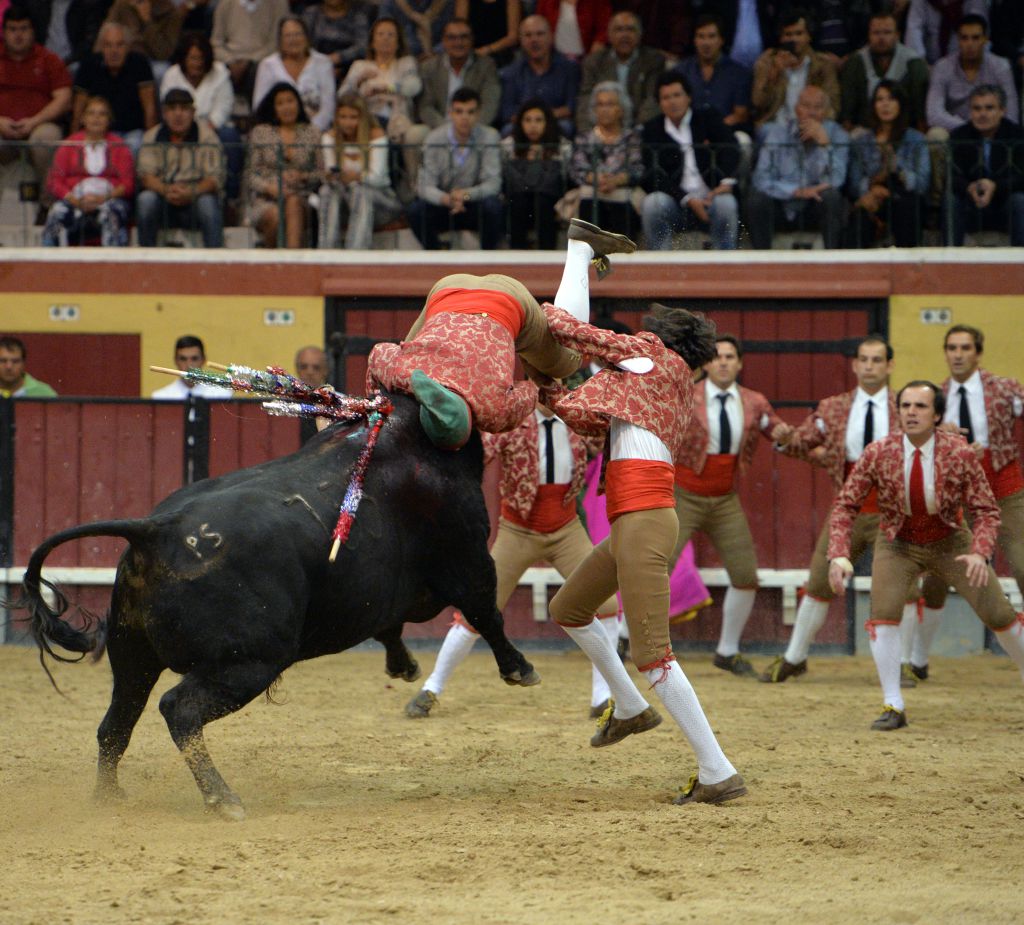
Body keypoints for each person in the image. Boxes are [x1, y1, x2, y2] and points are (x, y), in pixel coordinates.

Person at [525, 271, 747, 806]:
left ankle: (717, 771)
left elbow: (579, 332)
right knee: (570, 607)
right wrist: (544, 389)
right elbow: (584, 415)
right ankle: (628, 707)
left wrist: (532, 318)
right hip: (634, 518)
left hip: (643, 517)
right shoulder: (661, 382)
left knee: (654, 654)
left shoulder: (652, 358)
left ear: (663, 340)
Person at [404, 400, 620, 720]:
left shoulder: (576, 419)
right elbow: (477, 451)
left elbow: (607, 438)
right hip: (518, 531)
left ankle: (603, 695)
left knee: (606, 607)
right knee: (478, 609)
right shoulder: (513, 422)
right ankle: (432, 687)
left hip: (566, 529)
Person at [828, 380, 1024, 731]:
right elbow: (845, 505)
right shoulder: (878, 452)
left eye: (920, 406)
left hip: (951, 541)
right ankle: (893, 703)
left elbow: (986, 509)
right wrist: (839, 554)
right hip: (897, 541)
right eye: (905, 406)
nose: (911, 413)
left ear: (936, 414)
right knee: (884, 614)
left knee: (999, 612)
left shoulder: (960, 453)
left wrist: (980, 552)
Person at [365, 217, 637, 449]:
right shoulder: (406, 376)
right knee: (408, 347)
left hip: (505, 303)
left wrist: (539, 368)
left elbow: (532, 390)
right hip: (448, 291)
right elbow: (379, 353)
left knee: (568, 361)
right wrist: (376, 407)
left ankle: (582, 251)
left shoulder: (492, 412)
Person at [761, 336, 904, 683]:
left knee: (905, 586)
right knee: (820, 579)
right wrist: (782, 437)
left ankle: (908, 664)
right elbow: (801, 442)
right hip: (849, 509)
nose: (870, 366)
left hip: (896, 510)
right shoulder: (833, 408)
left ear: (889, 366)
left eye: (877, 360)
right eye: (864, 360)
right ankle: (795, 657)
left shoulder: (908, 406)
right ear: (855, 365)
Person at [668, 334, 792, 676]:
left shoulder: (754, 401)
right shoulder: (684, 395)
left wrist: (793, 440)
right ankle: (625, 637)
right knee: (655, 569)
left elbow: (779, 432)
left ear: (739, 363)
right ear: (706, 363)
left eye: (730, 356)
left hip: (724, 498)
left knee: (744, 574)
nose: (723, 362)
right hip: (683, 494)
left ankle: (727, 650)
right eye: (717, 356)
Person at [911, 325, 1024, 682]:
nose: (957, 354)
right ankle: (918, 659)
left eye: (964, 348)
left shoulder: (1005, 389)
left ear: (978, 353)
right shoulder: (934, 397)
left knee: (1023, 565)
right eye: (951, 348)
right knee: (935, 579)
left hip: (1004, 489)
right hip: (956, 498)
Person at [640, 70, 740, 251]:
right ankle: (659, 264)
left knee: (727, 203)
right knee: (652, 204)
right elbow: (652, 175)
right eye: (666, 97)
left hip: (712, 198)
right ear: (660, 103)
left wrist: (725, 182)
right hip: (676, 203)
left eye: (677, 95)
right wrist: (686, 199)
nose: (672, 102)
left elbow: (731, 148)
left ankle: (726, 264)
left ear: (688, 97)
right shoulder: (652, 129)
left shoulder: (708, 118)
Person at [746, 84, 849, 249]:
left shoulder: (838, 135)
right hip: (781, 203)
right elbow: (761, 178)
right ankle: (761, 260)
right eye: (806, 106)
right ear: (796, 109)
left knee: (832, 197)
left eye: (818, 107)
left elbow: (837, 180)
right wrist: (795, 191)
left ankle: (832, 259)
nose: (812, 113)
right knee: (756, 198)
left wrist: (824, 145)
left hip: (814, 206)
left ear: (826, 112)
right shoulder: (778, 133)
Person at [409, 86, 504, 250]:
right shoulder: (434, 139)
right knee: (416, 211)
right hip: (444, 204)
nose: (464, 117)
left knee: (493, 208)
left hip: (474, 203)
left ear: (479, 114)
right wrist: (446, 199)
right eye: (459, 112)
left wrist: (466, 195)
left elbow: (493, 184)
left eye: (470, 112)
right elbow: (424, 185)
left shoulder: (490, 137)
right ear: (450, 113)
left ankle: (489, 258)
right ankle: (436, 254)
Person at [136, 86, 225, 247]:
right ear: (164, 113)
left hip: (195, 198)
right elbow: (146, 176)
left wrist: (191, 192)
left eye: (184, 109)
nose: (178, 114)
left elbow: (214, 178)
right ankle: (146, 259)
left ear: (193, 112)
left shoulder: (208, 137)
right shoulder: (151, 136)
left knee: (208, 205)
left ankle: (216, 261)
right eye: (172, 109)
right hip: (163, 198)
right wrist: (166, 190)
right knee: (145, 200)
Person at [42, 94, 134, 247]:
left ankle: (115, 266)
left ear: (109, 120)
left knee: (112, 213)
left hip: (109, 199)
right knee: (57, 213)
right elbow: (54, 181)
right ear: (83, 118)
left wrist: (103, 198)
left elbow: (128, 184)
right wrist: (75, 200)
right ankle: (50, 264)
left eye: (102, 114)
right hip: (75, 198)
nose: (96, 118)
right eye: (91, 113)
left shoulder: (120, 146)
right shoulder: (69, 145)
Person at [846, 80, 930, 248]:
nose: (885, 104)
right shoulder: (861, 142)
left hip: (904, 198)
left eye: (891, 99)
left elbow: (922, 184)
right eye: (879, 99)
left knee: (906, 206)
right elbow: (855, 185)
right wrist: (872, 187)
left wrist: (897, 169)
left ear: (901, 104)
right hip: (873, 199)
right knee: (861, 214)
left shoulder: (916, 139)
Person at [160, 32, 242, 200]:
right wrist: (186, 129)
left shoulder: (220, 72)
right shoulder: (172, 75)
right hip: (179, 128)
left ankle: (230, 198)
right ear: (184, 58)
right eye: (192, 58)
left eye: (200, 58)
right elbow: (168, 107)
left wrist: (204, 131)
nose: (197, 63)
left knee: (230, 136)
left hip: (212, 128)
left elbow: (223, 108)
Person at [316, 91, 403, 249]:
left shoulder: (376, 136)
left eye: (353, 117)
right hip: (344, 201)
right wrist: (331, 176)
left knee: (359, 190)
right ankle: (326, 251)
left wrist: (357, 177)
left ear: (362, 118)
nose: (347, 123)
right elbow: (330, 172)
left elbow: (377, 178)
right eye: (343, 117)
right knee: (327, 191)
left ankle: (355, 253)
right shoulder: (330, 137)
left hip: (380, 201)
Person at [0, 6, 73, 193]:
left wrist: (34, 121)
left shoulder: (48, 59)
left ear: (33, 31)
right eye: (12, 29)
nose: (18, 35)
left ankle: (48, 205)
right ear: (4, 32)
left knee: (46, 138)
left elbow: (64, 98)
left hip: (40, 125)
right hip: (1, 127)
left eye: (24, 29)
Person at [246, 82, 323, 248]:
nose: (287, 107)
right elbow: (251, 175)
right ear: (273, 108)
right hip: (266, 197)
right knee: (275, 216)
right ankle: (277, 261)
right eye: (280, 103)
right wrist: (270, 188)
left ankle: (291, 261)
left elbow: (321, 173)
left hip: (301, 195)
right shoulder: (261, 132)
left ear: (298, 104)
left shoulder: (312, 132)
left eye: (290, 101)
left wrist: (302, 176)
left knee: (293, 202)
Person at [947, 84, 1024, 246]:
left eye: (989, 108)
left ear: (1002, 110)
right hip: (971, 202)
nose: (982, 114)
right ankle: (948, 256)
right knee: (951, 200)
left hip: (1004, 201)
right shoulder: (959, 136)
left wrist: (996, 186)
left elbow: (1021, 177)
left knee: (1019, 201)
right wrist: (970, 187)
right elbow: (951, 176)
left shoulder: (1017, 135)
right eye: (977, 108)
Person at [567, 81, 643, 237]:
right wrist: (597, 179)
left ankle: (624, 257)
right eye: (600, 105)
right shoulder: (585, 138)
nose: (605, 110)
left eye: (610, 104)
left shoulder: (631, 138)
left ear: (621, 109)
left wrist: (614, 181)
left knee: (624, 205)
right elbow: (577, 169)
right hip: (592, 190)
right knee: (589, 201)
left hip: (622, 191)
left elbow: (637, 169)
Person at [72, 21, 157, 154]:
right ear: (101, 47)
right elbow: (78, 110)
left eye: (120, 45)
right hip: (98, 132)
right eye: (108, 45)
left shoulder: (140, 64)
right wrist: (73, 142)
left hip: (132, 132)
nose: (114, 51)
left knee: (133, 147)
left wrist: (152, 144)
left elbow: (149, 109)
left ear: (128, 47)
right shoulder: (89, 65)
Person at [925, 14, 1018, 135]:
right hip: (955, 130)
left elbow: (1011, 113)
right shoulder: (942, 67)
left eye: (975, 38)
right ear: (958, 40)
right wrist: (970, 128)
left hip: (994, 130)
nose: (970, 44)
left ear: (985, 39)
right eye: (964, 38)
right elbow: (934, 114)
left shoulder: (1001, 66)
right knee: (936, 135)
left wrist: (988, 125)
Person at [838, 9, 929, 132]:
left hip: (906, 131)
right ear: (868, 35)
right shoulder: (856, 62)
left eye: (887, 32)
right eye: (876, 33)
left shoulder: (913, 63)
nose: (881, 38)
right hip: (866, 132)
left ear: (897, 35)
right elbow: (847, 113)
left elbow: (920, 114)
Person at [337, 16, 420, 150]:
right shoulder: (360, 66)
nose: (385, 38)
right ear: (372, 42)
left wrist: (387, 88)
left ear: (398, 43)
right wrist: (357, 82)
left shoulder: (406, 63)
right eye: (380, 34)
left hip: (398, 121)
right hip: (366, 122)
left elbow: (414, 87)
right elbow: (342, 97)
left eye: (390, 34)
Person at [575, 10, 664, 133]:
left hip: (639, 128)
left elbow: (651, 100)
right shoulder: (594, 62)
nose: (625, 35)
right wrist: (588, 133)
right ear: (609, 35)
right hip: (602, 129)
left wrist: (636, 132)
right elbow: (586, 99)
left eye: (630, 29)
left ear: (640, 34)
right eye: (619, 30)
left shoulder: (653, 61)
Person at [750, 8, 840, 129]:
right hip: (776, 127)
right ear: (781, 38)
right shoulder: (766, 63)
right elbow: (758, 104)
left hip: (815, 125)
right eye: (788, 34)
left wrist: (814, 123)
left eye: (799, 33)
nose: (794, 39)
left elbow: (833, 105)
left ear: (809, 36)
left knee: (839, 135)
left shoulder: (823, 65)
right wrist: (774, 74)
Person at [503, 98, 570, 250]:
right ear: (520, 122)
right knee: (517, 202)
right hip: (518, 198)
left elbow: (563, 179)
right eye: (528, 120)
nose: (533, 125)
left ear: (548, 123)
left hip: (549, 199)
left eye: (538, 120)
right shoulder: (508, 146)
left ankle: (548, 255)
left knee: (543, 202)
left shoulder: (562, 146)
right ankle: (516, 253)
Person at [499, 15, 581, 138]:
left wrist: (541, 118)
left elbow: (570, 108)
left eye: (540, 34)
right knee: (507, 130)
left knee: (566, 127)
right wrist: (531, 121)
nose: (534, 40)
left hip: (556, 123)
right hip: (523, 127)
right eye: (528, 35)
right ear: (520, 40)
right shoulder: (511, 72)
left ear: (550, 37)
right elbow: (507, 112)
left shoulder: (569, 69)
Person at [412, 18, 500, 134]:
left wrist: (469, 128)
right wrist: (448, 130)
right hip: (439, 127)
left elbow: (489, 105)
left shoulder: (486, 66)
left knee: (491, 136)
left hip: (475, 128)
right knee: (415, 134)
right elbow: (425, 107)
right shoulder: (429, 68)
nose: (458, 43)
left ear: (471, 40)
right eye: (452, 38)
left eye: (464, 37)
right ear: (443, 41)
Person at [253, 15, 335, 134]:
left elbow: (328, 108)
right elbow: (260, 106)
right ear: (280, 40)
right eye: (288, 36)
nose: (293, 40)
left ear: (307, 37)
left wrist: (310, 131)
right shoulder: (267, 65)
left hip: (316, 131)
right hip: (277, 132)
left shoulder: (323, 63)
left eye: (298, 34)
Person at [675, 13, 753, 128]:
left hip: (727, 135)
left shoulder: (739, 74)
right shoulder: (681, 72)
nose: (706, 43)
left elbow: (740, 114)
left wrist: (714, 132)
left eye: (711, 36)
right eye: (701, 36)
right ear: (695, 40)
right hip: (688, 133)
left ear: (721, 40)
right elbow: (674, 110)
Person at [211, 0, 290, 101]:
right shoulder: (225, 4)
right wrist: (230, 60)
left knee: (259, 70)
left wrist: (248, 61)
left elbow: (275, 43)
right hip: (230, 59)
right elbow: (216, 42)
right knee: (219, 71)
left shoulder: (278, 4)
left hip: (262, 59)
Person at [104, 0, 186, 81]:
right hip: (123, 56)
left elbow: (164, 53)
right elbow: (105, 34)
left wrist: (147, 22)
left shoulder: (172, 13)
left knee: (161, 71)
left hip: (151, 59)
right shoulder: (122, 5)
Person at [301, 0, 372, 84]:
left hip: (349, 70)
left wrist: (339, 57)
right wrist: (323, 63)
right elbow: (302, 42)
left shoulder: (358, 16)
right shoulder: (312, 13)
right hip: (314, 67)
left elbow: (362, 47)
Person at [905, 0, 990, 65]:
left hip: (965, 63)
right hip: (929, 61)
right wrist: (921, 63)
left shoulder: (975, 2)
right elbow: (914, 29)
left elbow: (979, 31)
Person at [152, 334, 233, 399]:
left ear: (203, 360)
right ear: (176, 361)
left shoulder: (221, 395)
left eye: (194, 359)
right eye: (183, 359)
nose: (189, 365)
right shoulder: (161, 398)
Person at [534, 0, 610, 62]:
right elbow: (538, 26)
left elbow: (604, 29)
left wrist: (598, 45)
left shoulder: (597, 2)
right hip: (554, 61)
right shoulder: (546, 2)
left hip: (586, 60)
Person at [377, 0, 454, 61]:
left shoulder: (447, 3)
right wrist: (411, 59)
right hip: (402, 60)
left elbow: (454, 36)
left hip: (440, 61)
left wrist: (433, 54)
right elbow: (384, 38)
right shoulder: (390, 4)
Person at [454, 0, 520, 69]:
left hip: (499, 52)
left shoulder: (512, 1)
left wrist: (486, 50)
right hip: (469, 50)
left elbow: (513, 37)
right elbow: (459, 29)